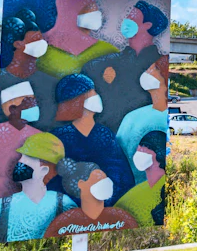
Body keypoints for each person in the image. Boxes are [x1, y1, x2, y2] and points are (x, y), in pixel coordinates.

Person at [47, 74, 134, 206]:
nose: (96, 96)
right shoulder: (58, 137)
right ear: (77, 100)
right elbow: (51, 180)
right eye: (91, 93)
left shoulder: (104, 134)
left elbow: (121, 173)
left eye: (95, 92)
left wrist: (106, 199)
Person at [0, 134, 76, 243]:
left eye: (27, 158)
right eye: (21, 156)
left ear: (43, 171)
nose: (20, 162)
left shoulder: (64, 204)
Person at [0, 8, 60, 130]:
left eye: (41, 39)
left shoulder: (50, 82)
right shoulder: (1, 80)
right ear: (17, 44)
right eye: (35, 40)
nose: (42, 43)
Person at [44, 159, 138, 238]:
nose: (105, 183)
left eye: (105, 178)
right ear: (81, 184)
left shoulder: (120, 217)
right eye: (98, 179)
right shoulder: (64, 221)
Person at [38, 0, 119, 78]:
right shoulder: (42, 51)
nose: (97, 14)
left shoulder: (108, 51)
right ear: (69, 14)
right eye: (89, 9)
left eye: (96, 8)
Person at [0, 82, 41, 201]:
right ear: (12, 109)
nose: (34, 109)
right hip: (1, 194)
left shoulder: (38, 135)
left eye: (35, 104)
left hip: (29, 196)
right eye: (29, 105)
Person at [115, 131, 167, 227]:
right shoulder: (137, 192)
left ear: (159, 154)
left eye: (145, 148)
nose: (138, 152)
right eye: (139, 148)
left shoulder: (163, 188)